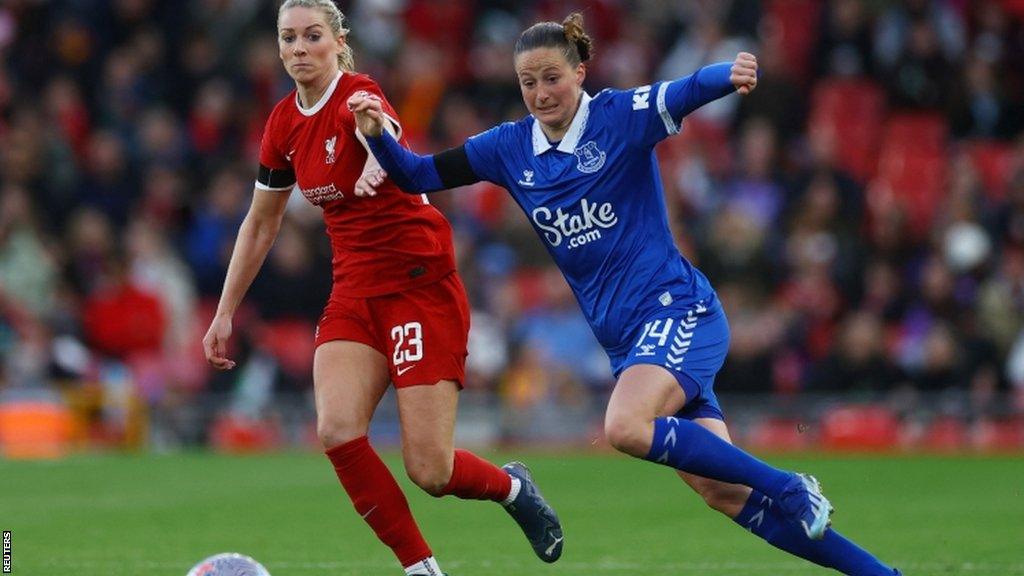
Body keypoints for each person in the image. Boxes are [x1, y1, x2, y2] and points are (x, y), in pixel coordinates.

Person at [349, 12, 902, 576]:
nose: (541, 93)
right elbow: (418, 176)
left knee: (624, 427)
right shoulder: (507, 147)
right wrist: (377, 138)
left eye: (552, 78)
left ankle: (789, 485)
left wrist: (729, 73)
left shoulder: (618, 115)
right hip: (631, 344)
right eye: (528, 82)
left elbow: (683, 92)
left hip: (678, 310)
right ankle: (879, 573)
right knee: (723, 493)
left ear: (580, 72)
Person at [201, 2, 563, 575]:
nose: (299, 47)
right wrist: (224, 312)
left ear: (337, 41)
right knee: (337, 431)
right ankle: (422, 569)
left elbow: (382, 131)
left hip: (419, 287)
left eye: (312, 36)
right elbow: (261, 222)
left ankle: (513, 489)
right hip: (353, 291)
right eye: (288, 37)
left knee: (431, 471)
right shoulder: (281, 125)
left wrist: (382, 156)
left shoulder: (359, 94)